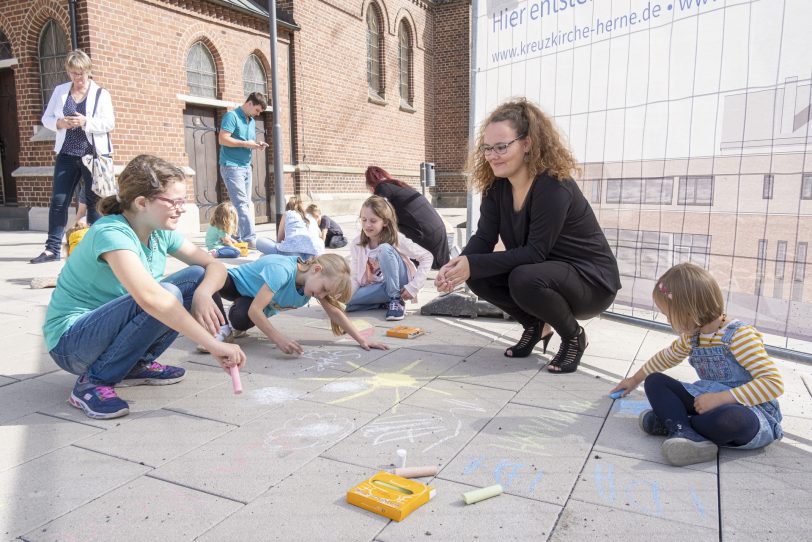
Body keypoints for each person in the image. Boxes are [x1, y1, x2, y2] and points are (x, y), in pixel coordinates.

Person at [43, 155, 246, 420]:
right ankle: (92, 382)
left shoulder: (159, 230)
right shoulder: (111, 232)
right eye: (174, 202)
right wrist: (213, 344)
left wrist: (204, 293)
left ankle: (134, 365)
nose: (181, 209)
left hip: (104, 334)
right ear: (141, 203)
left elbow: (214, 266)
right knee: (167, 294)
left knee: (195, 277)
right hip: (72, 343)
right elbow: (151, 299)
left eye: (182, 201)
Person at [435, 98, 621, 374]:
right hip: (544, 274)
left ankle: (573, 337)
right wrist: (458, 265)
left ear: (527, 144)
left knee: (522, 276)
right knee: (476, 272)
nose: (492, 155)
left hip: (590, 282)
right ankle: (534, 326)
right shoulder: (496, 189)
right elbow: (484, 239)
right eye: (487, 148)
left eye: (501, 146)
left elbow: (535, 252)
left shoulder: (553, 186)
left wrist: (472, 263)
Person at [610, 263, 784, 467]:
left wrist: (721, 399)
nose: (668, 320)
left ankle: (676, 424)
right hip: (706, 402)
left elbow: (773, 383)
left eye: (668, 314)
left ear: (688, 310)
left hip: (751, 412)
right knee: (655, 381)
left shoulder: (739, 337)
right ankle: (685, 432)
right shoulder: (693, 336)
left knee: (730, 418)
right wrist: (634, 380)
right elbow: (665, 358)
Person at [213, 253, 388, 354]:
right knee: (211, 279)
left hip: (251, 299)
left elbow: (334, 312)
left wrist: (361, 340)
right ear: (316, 270)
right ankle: (219, 328)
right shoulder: (282, 271)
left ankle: (234, 321)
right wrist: (279, 339)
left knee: (240, 317)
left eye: (326, 293)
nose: (322, 295)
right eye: (324, 289)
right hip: (235, 283)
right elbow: (256, 311)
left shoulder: (313, 283)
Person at [32, 49, 114, 264]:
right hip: (67, 154)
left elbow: (109, 123)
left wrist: (85, 121)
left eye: (81, 73)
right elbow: (47, 118)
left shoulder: (100, 94)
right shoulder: (60, 91)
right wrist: (59, 123)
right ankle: (51, 249)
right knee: (59, 201)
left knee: (94, 201)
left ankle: (93, 249)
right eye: (73, 73)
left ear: (88, 71)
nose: (78, 78)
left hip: (92, 155)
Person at [348, 196, 433, 321]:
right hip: (378, 289)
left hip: (399, 285)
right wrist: (346, 295)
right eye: (364, 220)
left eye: (373, 221)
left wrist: (414, 287)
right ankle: (382, 303)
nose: (367, 225)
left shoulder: (396, 239)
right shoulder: (357, 244)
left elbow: (427, 256)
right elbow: (355, 276)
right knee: (343, 303)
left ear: (385, 222)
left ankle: (395, 300)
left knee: (385, 249)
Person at [365, 166, 449, 270]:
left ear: (371, 185)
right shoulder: (399, 185)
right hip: (437, 233)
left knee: (385, 231)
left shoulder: (382, 188)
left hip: (424, 235)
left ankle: (389, 270)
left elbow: (375, 213)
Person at [218, 92, 269, 249]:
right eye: (257, 110)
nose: (258, 114)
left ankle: (237, 236)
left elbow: (247, 141)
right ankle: (249, 238)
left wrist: (256, 144)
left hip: (246, 166)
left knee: (244, 204)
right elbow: (223, 139)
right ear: (249, 104)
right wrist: (246, 144)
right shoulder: (231, 116)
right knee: (241, 204)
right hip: (232, 166)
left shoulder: (251, 121)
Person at [257, 196, 324, 259]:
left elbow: (280, 240)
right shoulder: (310, 217)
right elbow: (320, 235)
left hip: (293, 254)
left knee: (260, 241)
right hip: (316, 253)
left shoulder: (288, 213)